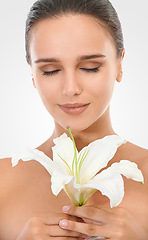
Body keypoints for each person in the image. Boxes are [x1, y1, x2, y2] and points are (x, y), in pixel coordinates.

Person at [0, 0, 148, 239]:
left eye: (90, 67)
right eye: (50, 70)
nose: (70, 89)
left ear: (120, 64)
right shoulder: (2, 183)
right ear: (33, 75)